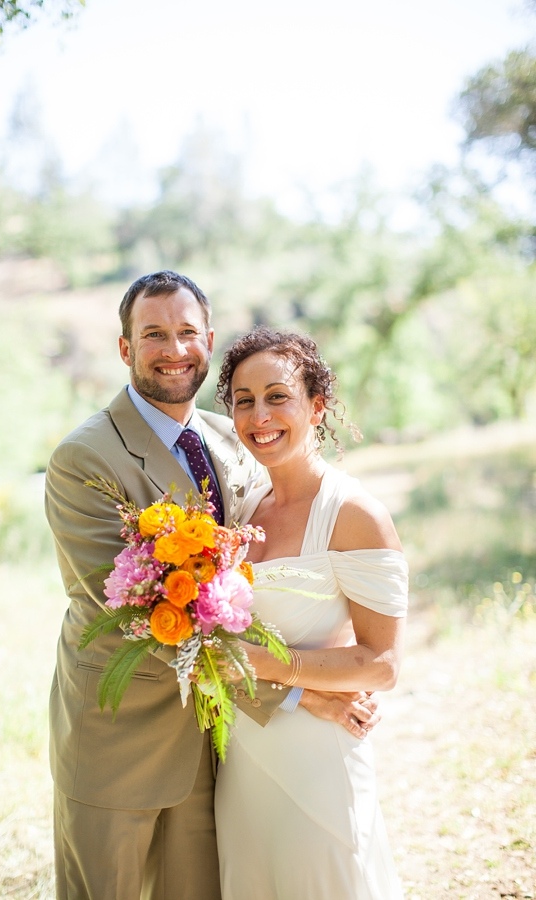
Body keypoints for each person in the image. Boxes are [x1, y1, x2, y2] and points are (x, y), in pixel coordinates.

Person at [45, 271, 381, 900]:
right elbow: (132, 614)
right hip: (123, 747)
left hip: (221, 754)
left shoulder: (233, 436)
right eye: (153, 335)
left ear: (209, 341)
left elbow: (279, 552)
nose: (173, 349)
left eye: (186, 333)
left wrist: (335, 650)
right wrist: (298, 692)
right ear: (125, 349)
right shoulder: (84, 458)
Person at [214, 326, 408, 900]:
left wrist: (274, 668)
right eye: (243, 401)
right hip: (245, 750)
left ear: (316, 406)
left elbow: (382, 666)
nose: (259, 415)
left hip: (320, 758)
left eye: (278, 396)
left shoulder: (356, 515)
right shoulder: (243, 506)